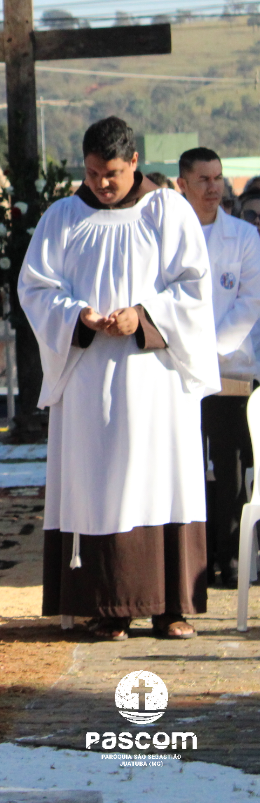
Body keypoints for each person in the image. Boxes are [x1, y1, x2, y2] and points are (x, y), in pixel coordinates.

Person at [18, 117, 220, 641]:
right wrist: (77, 316)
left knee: (162, 479)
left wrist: (143, 316)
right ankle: (107, 605)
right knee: (98, 480)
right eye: (91, 173)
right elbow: (36, 289)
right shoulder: (62, 217)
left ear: (133, 162)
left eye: (111, 173)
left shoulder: (168, 210)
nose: (101, 184)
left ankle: (170, 607)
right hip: (88, 375)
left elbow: (194, 286)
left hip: (154, 374)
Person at [177, 148, 260, 588]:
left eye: (219, 178)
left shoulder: (245, 237)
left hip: (230, 368)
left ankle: (229, 555)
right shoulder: (168, 237)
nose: (214, 188)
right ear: (182, 186)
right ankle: (195, 555)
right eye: (204, 180)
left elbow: (249, 303)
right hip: (178, 373)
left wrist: (205, 351)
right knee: (188, 465)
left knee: (228, 465)